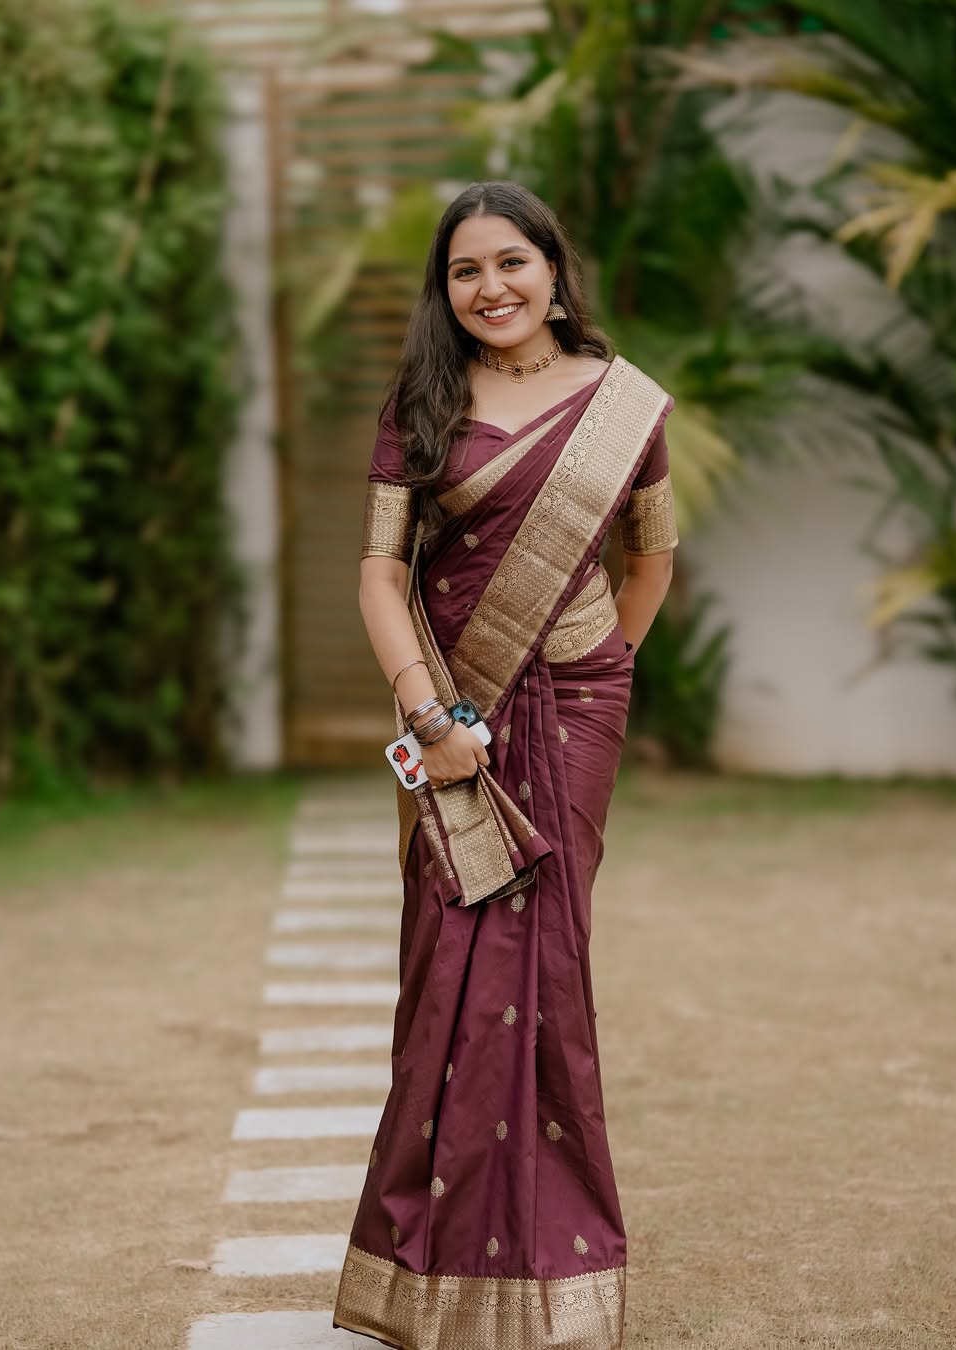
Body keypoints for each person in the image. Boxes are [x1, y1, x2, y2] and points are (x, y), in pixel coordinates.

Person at [333, 180, 678, 1350]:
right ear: (446, 289)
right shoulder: (421, 403)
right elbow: (382, 577)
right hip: (452, 711)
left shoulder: (625, 405)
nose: (492, 288)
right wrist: (430, 715)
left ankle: (555, 1274)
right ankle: (422, 1277)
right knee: (448, 971)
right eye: (466, 271)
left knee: (550, 969)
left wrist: (597, 670)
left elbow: (651, 561)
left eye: (513, 263)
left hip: (573, 707)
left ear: (553, 269)